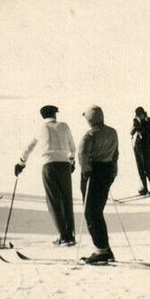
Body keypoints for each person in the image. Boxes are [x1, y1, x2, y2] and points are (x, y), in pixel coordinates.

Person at [16, 105, 77, 245]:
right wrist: (71, 161)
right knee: (67, 199)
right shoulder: (64, 126)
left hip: (49, 165)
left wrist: (21, 163)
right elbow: (73, 148)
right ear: (54, 114)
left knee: (54, 201)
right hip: (64, 165)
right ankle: (70, 235)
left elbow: (29, 148)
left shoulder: (40, 128)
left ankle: (63, 236)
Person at [77, 106, 119, 264]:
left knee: (90, 212)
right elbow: (116, 154)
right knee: (98, 210)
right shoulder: (112, 132)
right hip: (107, 171)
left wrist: (86, 172)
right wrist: (113, 173)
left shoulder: (89, 135)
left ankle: (100, 250)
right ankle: (105, 248)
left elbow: (82, 154)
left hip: (93, 173)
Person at [131, 106, 150, 196]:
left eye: (140, 115)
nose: (139, 116)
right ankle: (145, 188)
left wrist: (142, 125)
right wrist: (135, 126)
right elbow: (131, 132)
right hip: (137, 147)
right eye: (137, 115)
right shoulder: (136, 121)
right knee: (140, 168)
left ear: (144, 113)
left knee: (148, 167)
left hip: (146, 146)